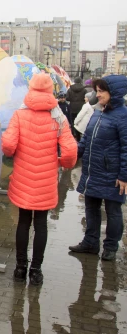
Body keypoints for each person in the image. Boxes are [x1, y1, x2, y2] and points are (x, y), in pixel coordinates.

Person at [2, 73, 77, 285]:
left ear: (31, 90)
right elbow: (71, 150)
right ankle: (36, 271)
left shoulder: (19, 114)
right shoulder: (58, 117)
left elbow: (8, 145)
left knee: (23, 222)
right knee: (41, 224)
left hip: (23, 177)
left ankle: (19, 268)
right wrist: (62, 163)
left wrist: (14, 153)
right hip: (46, 180)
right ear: (50, 91)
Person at [70, 75, 127, 261]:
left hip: (112, 174)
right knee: (91, 208)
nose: (98, 94)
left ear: (114, 93)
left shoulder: (123, 116)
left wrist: (124, 176)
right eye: (97, 90)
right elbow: (86, 139)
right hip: (93, 171)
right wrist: (73, 156)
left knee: (113, 211)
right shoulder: (97, 112)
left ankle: (110, 246)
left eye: (102, 91)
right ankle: (91, 242)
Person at [66, 76, 87, 140]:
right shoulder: (84, 90)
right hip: (81, 108)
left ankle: (73, 134)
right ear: (81, 81)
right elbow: (86, 98)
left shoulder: (70, 89)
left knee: (73, 122)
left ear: (74, 81)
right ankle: (79, 136)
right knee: (80, 121)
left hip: (72, 108)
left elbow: (67, 98)